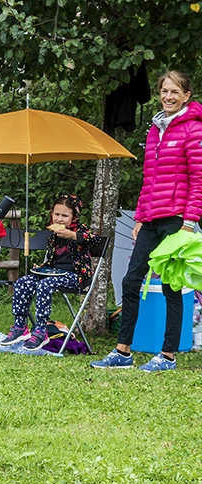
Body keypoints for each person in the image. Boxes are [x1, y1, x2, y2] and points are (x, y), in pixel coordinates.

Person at [91, 70, 202, 372]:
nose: (168, 97)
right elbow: (149, 179)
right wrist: (140, 216)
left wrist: (190, 222)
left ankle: (167, 355)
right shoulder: (155, 129)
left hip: (177, 220)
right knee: (130, 280)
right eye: (164, 91)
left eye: (175, 92)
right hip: (151, 219)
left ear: (186, 96)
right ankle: (122, 352)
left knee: (170, 286)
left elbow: (198, 179)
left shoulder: (193, 129)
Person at [0, 194, 102, 350]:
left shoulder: (79, 230)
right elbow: (54, 260)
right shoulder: (53, 236)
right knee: (23, 282)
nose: (60, 219)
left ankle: (41, 330)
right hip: (53, 273)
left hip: (75, 276)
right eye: (57, 214)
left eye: (65, 215)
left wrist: (73, 236)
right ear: (51, 215)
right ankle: (20, 326)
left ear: (74, 217)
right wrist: (42, 266)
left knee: (45, 285)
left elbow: (96, 240)